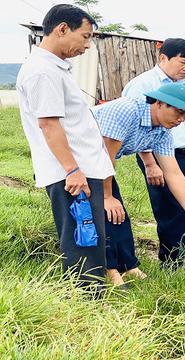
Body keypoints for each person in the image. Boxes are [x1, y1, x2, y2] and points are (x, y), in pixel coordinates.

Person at [16, 4, 113, 288]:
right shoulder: (43, 71)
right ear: (61, 29)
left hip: (79, 169)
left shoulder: (54, 68)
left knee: (89, 236)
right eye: (84, 36)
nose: (87, 44)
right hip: (72, 173)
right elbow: (49, 125)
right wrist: (72, 170)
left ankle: (90, 297)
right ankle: (87, 303)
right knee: (82, 238)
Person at [92, 83, 185, 285]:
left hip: (98, 163)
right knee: (106, 212)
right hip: (79, 159)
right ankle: (110, 270)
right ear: (160, 103)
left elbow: (173, 173)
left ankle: (128, 266)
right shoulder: (127, 110)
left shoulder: (162, 131)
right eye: (179, 113)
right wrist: (107, 196)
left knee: (119, 217)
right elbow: (105, 156)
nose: (181, 120)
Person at [121, 38, 185, 264]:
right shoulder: (144, 84)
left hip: (183, 153)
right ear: (163, 58)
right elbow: (133, 126)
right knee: (170, 211)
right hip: (158, 156)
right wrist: (150, 163)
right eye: (182, 62)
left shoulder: (183, 86)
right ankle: (171, 262)